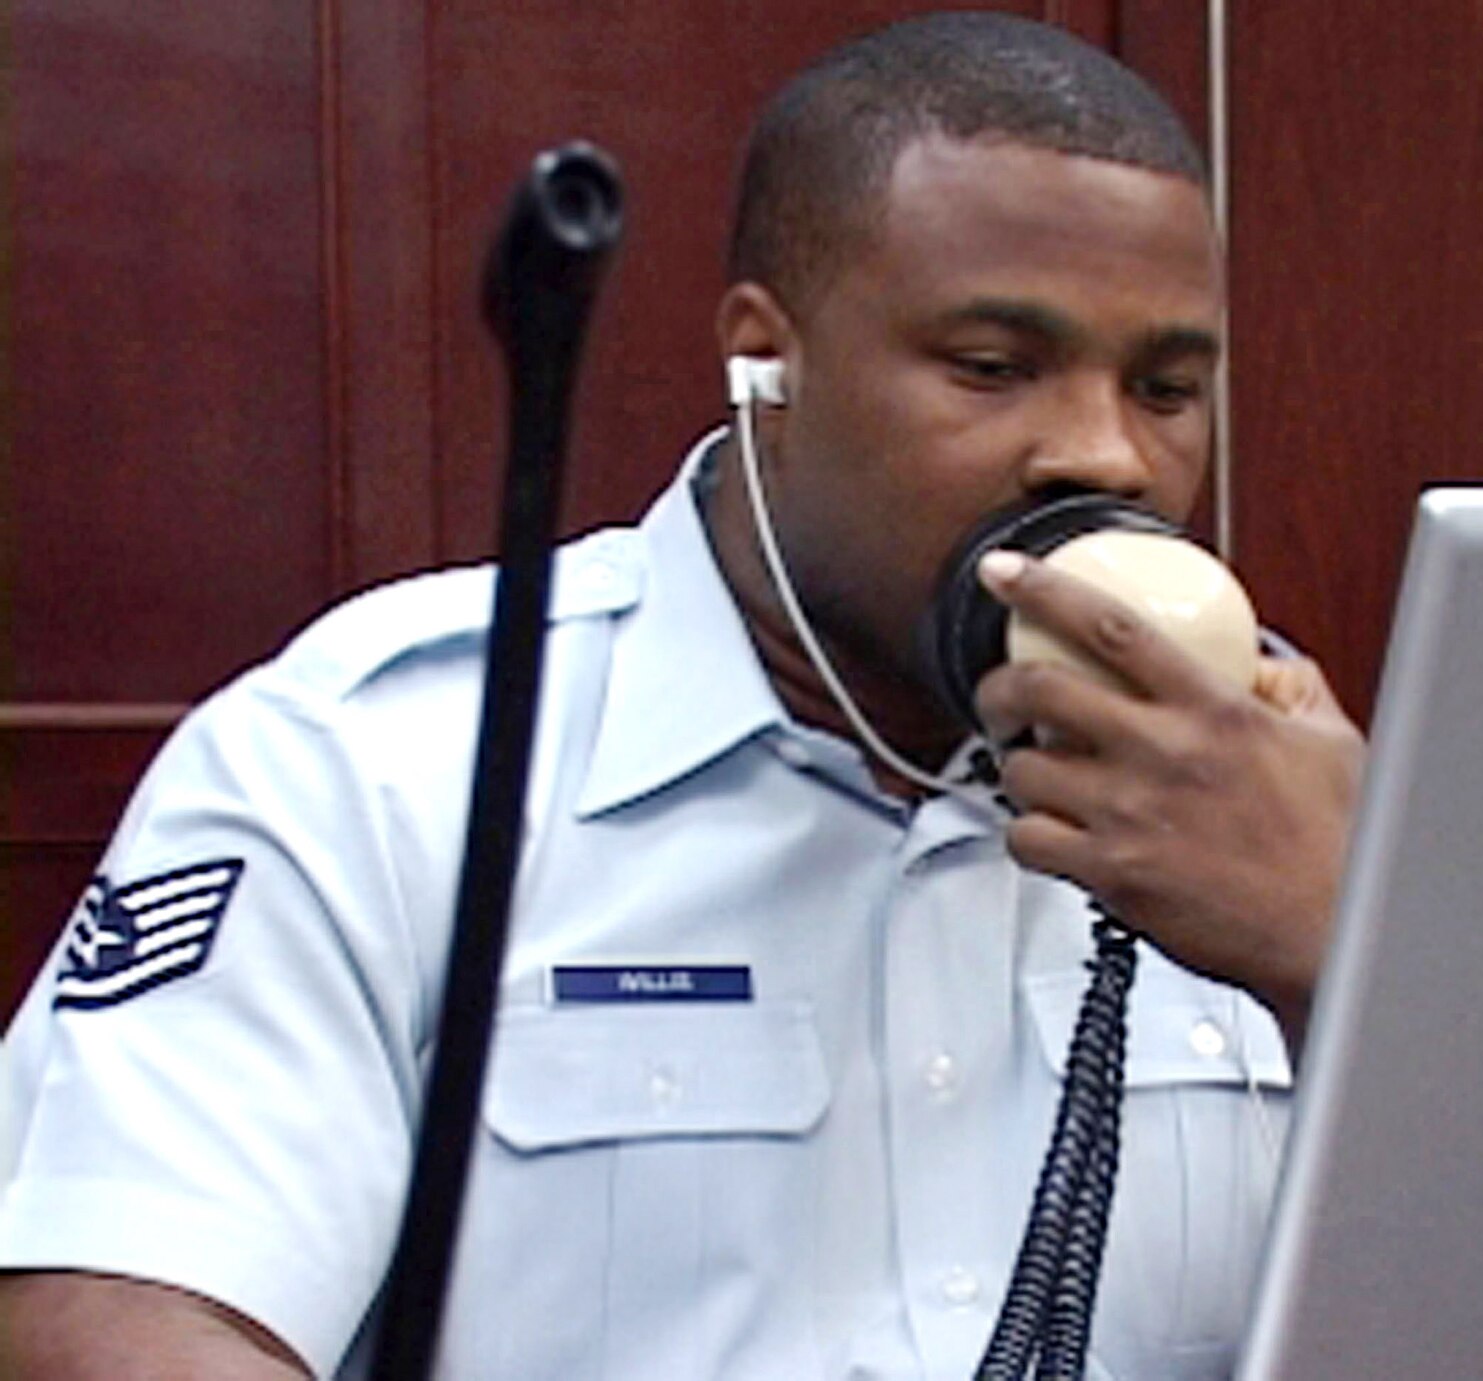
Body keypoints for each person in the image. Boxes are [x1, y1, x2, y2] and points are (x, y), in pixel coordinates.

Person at [0, 12, 1363, 1378]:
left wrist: (1343, 956)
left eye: (1168, 387)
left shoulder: (1293, 793)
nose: (1104, 453)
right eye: (993, 368)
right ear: (768, 362)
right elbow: (118, 1321)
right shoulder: (375, 762)